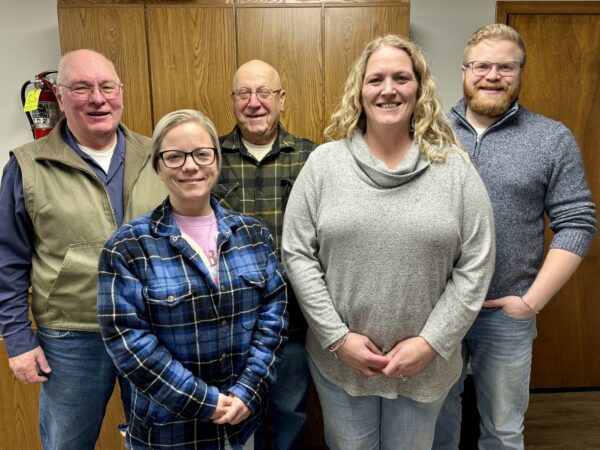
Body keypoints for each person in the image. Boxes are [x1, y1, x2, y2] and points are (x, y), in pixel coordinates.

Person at [281, 34, 496, 450]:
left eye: (401, 77)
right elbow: (297, 254)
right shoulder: (324, 165)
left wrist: (432, 342)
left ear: (419, 88)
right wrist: (338, 338)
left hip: (425, 366)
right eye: (375, 79)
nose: (388, 89)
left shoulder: (453, 167)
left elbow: (477, 262)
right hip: (341, 364)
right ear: (359, 91)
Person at [433, 24, 597, 450]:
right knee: (435, 430)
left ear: (521, 72)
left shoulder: (551, 138)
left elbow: (577, 221)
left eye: (505, 67)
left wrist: (531, 301)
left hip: (505, 316)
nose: (492, 75)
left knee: (503, 433)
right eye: (482, 65)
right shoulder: (428, 132)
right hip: (434, 312)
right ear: (464, 70)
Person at [0, 49, 166, 449]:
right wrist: (18, 339)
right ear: (59, 96)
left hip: (153, 330)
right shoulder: (28, 166)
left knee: (157, 441)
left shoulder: (158, 156)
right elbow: (8, 260)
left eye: (106, 86)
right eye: (81, 87)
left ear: (120, 92)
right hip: (71, 337)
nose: (97, 98)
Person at [97, 109, 288, 449]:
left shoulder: (253, 234)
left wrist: (248, 390)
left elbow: (273, 319)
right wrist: (205, 402)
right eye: (174, 156)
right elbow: (130, 346)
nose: (190, 166)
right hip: (169, 431)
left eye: (202, 154)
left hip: (241, 424)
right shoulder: (128, 247)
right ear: (157, 165)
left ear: (217, 159)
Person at [214, 59, 317, 450]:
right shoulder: (210, 157)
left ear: (281, 99)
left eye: (264, 93)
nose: (254, 103)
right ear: (233, 100)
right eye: (244, 93)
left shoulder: (312, 158)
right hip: (229, 324)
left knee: (289, 413)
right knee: (237, 420)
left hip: (293, 323)